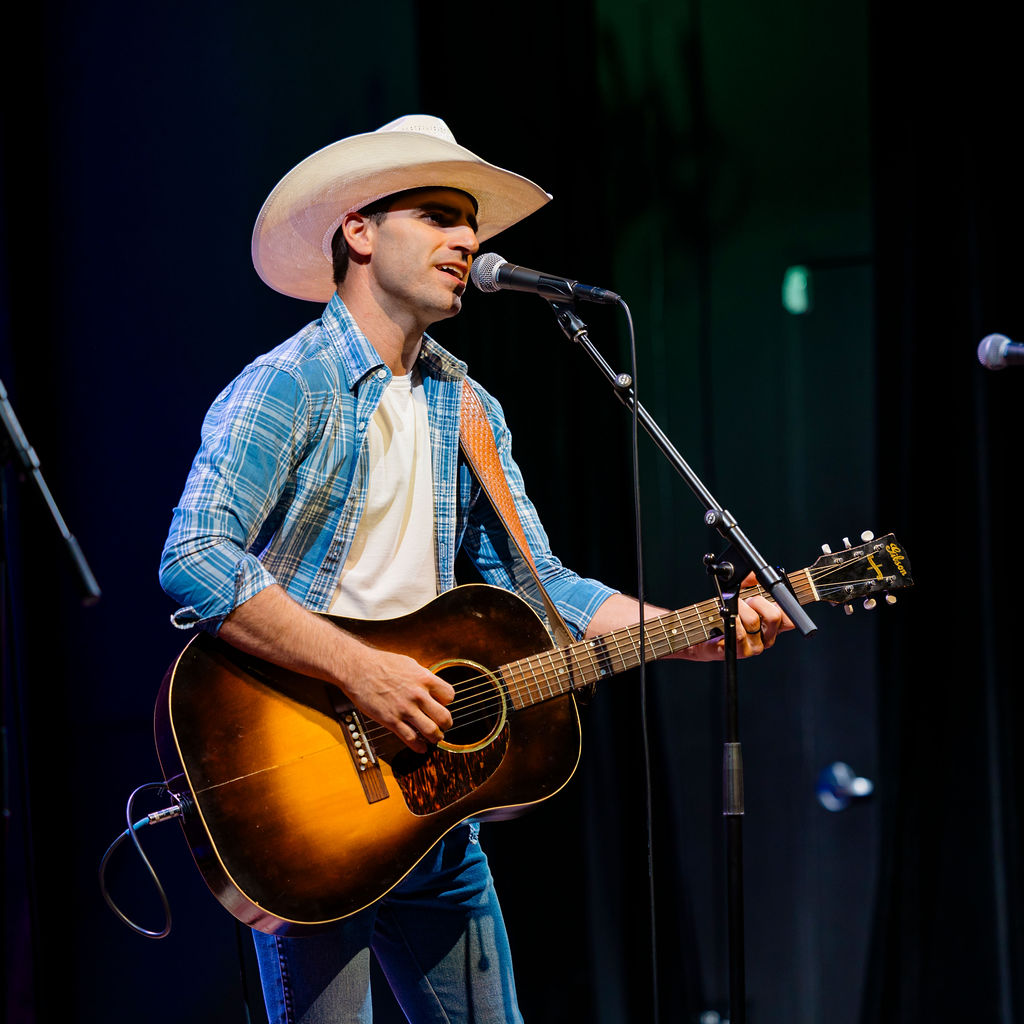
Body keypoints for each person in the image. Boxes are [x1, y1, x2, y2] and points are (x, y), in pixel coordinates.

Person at [158, 114, 788, 1024]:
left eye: (471, 224)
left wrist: (685, 633)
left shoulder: (469, 406)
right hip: (309, 787)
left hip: (435, 804)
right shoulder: (286, 384)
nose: (467, 241)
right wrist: (362, 670)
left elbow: (547, 588)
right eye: (438, 216)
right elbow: (193, 556)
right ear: (360, 232)